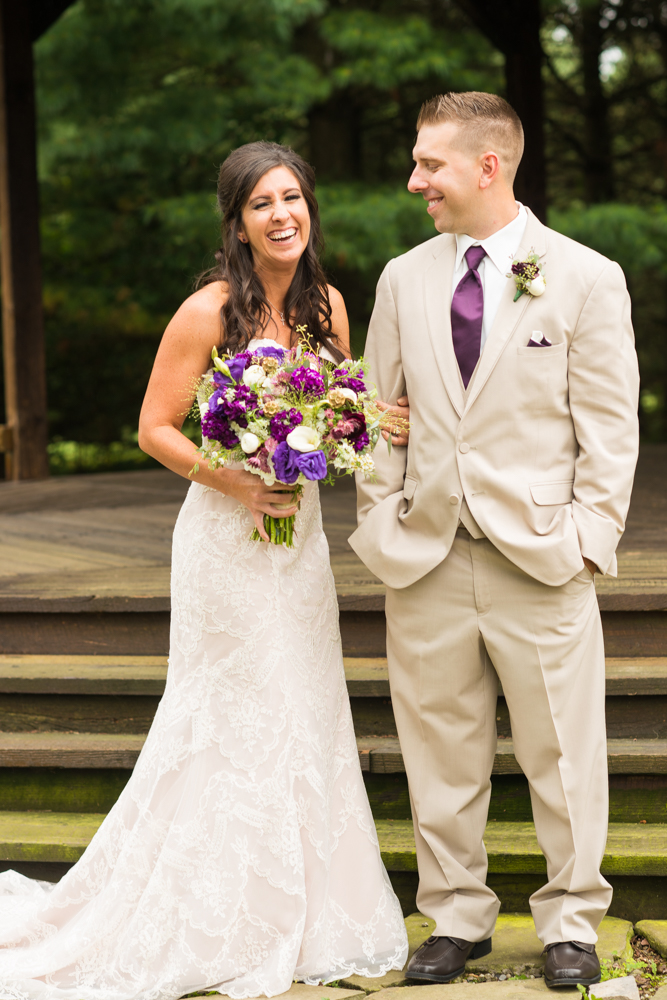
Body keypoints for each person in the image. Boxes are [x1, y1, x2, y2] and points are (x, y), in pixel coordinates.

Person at [0, 141, 409, 1000]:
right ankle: (213, 911)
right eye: (261, 203)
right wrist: (232, 477)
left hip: (295, 542)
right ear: (236, 220)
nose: (281, 215)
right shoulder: (206, 311)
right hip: (224, 537)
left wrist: (366, 420)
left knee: (302, 703)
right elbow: (154, 427)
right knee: (230, 709)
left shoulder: (328, 306)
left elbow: (339, 407)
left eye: (292, 197)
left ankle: (301, 908)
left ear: (310, 208)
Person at [349, 92, 640, 989]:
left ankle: (570, 921)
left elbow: (608, 427)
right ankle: (455, 916)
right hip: (426, 553)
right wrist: (378, 516)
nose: (414, 181)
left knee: (561, 750)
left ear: (488, 166)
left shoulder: (586, 277)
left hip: (543, 556)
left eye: (429, 164)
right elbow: (376, 415)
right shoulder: (402, 277)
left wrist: (590, 539)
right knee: (439, 748)